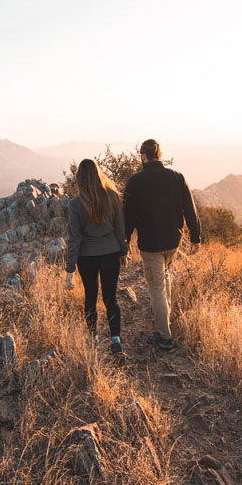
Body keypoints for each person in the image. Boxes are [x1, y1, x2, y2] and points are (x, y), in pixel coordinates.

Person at [123, 139, 201, 351]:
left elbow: (128, 216)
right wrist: (196, 237)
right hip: (172, 242)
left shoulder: (136, 181)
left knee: (156, 287)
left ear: (143, 156)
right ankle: (165, 321)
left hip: (151, 244)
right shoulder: (177, 177)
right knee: (165, 277)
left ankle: (164, 336)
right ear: (160, 154)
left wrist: (125, 241)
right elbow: (190, 209)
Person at [64, 158, 129, 354]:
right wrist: (124, 252)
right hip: (110, 254)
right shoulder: (113, 197)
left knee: (90, 296)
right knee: (111, 298)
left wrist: (69, 269)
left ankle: (92, 338)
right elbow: (120, 229)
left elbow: (74, 238)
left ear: (79, 179)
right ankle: (115, 339)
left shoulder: (76, 204)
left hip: (87, 258)